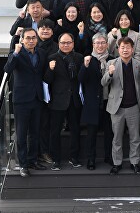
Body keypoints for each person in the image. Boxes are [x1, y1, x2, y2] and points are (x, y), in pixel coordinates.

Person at [4, 28, 48, 177]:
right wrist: (15, 53)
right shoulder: (16, 53)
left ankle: (32, 160)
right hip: (21, 99)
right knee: (22, 133)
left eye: (33, 38)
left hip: (37, 98)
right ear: (22, 39)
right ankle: (23, 165)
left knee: (35, 132)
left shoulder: (41, 53)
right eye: (28, 38)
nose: (31, 40)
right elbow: (7, 68)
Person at [101, 37, 140, 175]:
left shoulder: (139, 64)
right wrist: (110, 73)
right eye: (122, 47)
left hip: (133, 106)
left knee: (135, 137)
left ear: (133, 49)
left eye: (128, 47)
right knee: (117, 138)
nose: (125, 50)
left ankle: (135, 163)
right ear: (118, 49)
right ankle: (117, 163)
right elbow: (103, 83)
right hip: (117, 108)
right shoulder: (111, 63)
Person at [44, 32, 84, 170]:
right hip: (57, 100)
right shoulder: (52, 58)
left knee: (75, 130)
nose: (65, 45)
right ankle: (56, 160)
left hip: (74, 99)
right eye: (63, 43)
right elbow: (47, 80)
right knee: (55, 131)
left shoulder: (79, 58)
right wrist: (50, 69)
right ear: (59, 44)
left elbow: (82, 78)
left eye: (68, 43)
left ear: (73, 43)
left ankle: (75, 157)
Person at [79, 33, 113, 170]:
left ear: (106, 44)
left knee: (109, 132)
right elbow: (81, 79)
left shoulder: (112, 59)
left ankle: (109, 156)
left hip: (108, 101)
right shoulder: (88, 59)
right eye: (97, 43)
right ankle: (91, 159)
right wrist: (85, 66)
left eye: (102, 42)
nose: (100, 45)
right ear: (93, 45)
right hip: (92, 101)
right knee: (91, 133)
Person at [34, 19, 58, 166]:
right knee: (38, 124)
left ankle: (46, 152)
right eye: (42, 28)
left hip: (53, 90)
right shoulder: (32, 45)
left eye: (48, 28)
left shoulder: (57, 46)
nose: (45, 30)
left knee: (48, 124)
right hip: (36, 90)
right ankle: (37, 153)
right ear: (37, 30)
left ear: (52, 31)